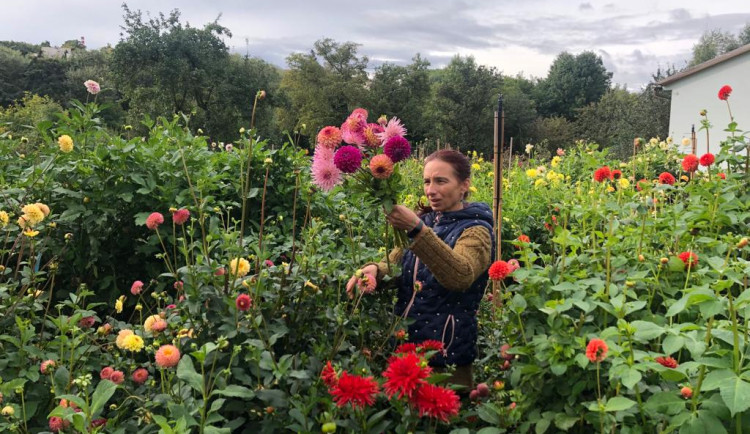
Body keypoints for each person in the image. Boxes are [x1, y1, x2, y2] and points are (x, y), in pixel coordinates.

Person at [346, 149, 494, 390]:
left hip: (447, 352)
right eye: (427, 181)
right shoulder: (426, 221)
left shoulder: (476, 230)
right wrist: (375, 270)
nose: (431, 190)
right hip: (406, 344)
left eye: (441, 181)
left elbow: (461, 275)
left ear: (464, 185)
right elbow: (395, 264)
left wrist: (416, 230)